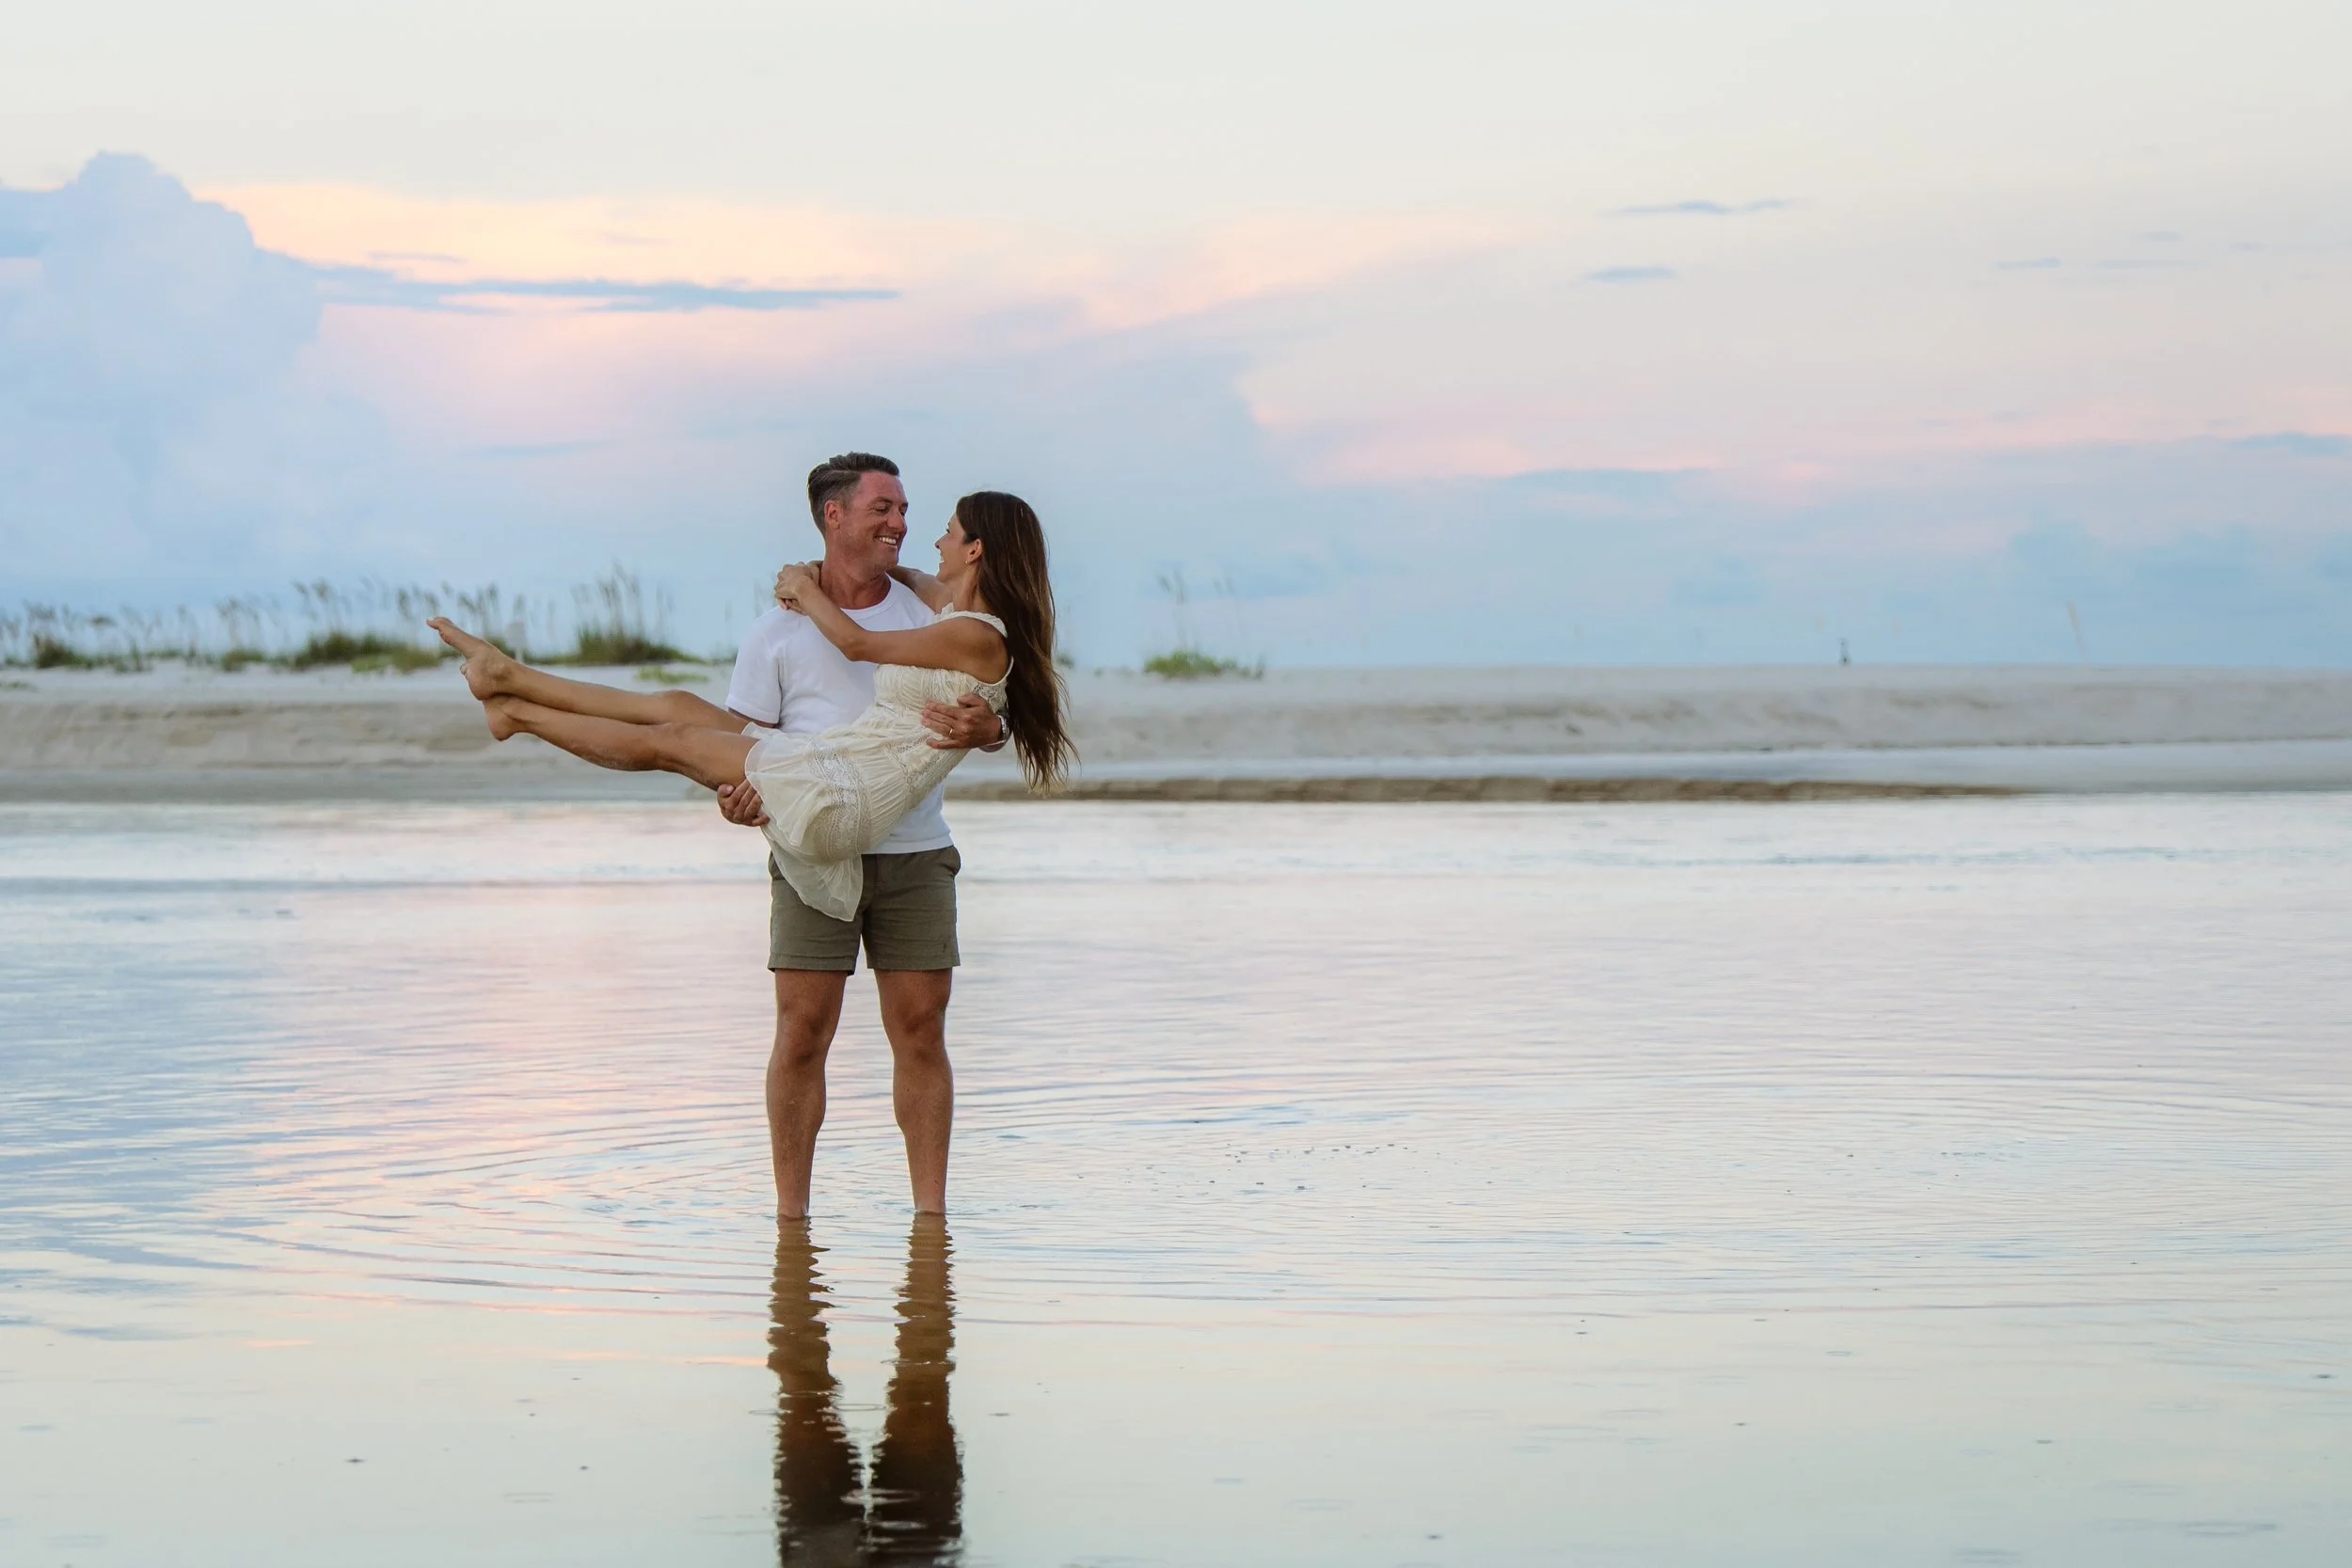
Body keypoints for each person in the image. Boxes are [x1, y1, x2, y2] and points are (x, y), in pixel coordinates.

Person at [428, 455, 1071, 1217]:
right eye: (886, 509)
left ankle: (519, 710)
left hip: (860, 805)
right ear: (834, 517)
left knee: (672, 741)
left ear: (976, 551)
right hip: (826, 784)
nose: (912, 529)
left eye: (933, 523)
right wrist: (747, 795)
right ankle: (513, 681)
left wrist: (987, 725)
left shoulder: (951, 628)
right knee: (677, 716)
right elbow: (934, 635)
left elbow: (875, 653)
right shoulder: (899, 610)